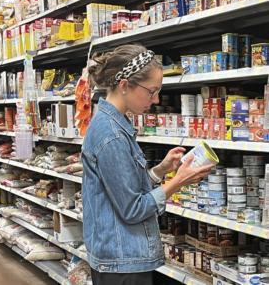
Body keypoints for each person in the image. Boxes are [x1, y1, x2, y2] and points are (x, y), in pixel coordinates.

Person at [81, 44, 214, 285]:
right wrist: (178, 182)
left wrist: (161, 170)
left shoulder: (114, 125)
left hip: (121, 258)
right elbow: (132, 209)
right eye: (151, 91)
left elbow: (122, 189)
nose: (156, 99)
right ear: (125, 86)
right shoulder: (112, 136)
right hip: (122, 262)